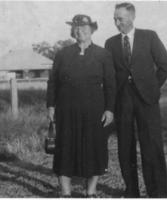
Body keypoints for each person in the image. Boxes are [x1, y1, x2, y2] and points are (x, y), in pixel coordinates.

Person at [105, 2, 167, 198]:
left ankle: (158, 193)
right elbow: (109, 75)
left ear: (132, 17)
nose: (117, 23)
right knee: (125, 147)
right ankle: (131, 191)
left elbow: (165, 64)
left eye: (121, 19)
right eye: (115, 19)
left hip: (147, 99)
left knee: (152, 145)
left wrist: (152, 87)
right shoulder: (110, 42)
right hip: (122, 100)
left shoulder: (149, 36)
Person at [47, 14, 116, 197]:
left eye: (84, 28)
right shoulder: (62, 54)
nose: (80, 31)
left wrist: (109, 109)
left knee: (95, 149)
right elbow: (53, 82)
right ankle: (65, 192)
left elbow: (111, 84)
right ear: (72, 31)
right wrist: (51, 106)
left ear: (92, 30)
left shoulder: (103, 54)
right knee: (65, 149)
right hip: (66, 110)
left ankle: (91, 191)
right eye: (76, 28)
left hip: (95, 110)